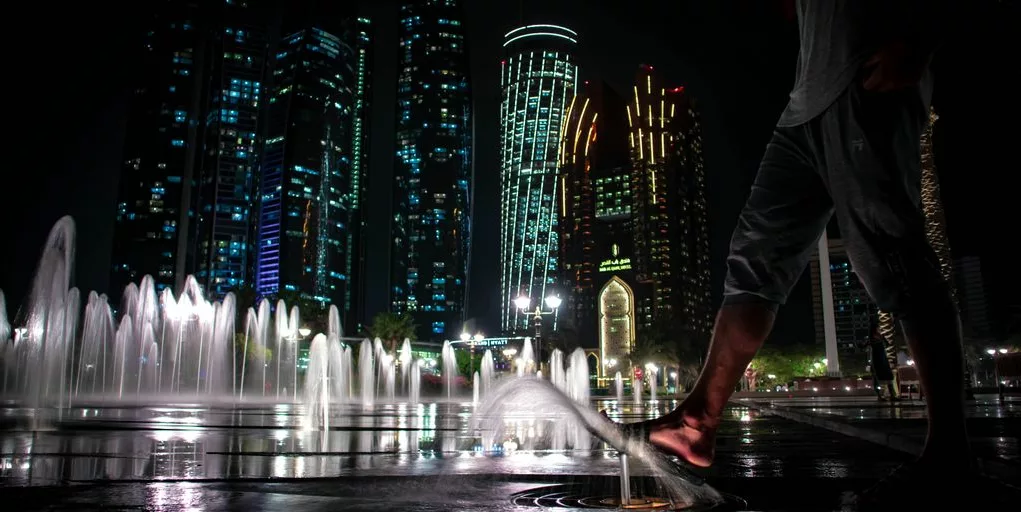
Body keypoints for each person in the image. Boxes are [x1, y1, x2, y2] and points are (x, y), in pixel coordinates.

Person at [613, 0, 975, 502]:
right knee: (753, 260)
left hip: (866, 80)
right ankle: (696, 422)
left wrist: (920, 40)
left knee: (892, 253)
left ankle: (949, 456)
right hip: (804, 104)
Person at [858, 315, 897, 401]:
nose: (879, 328)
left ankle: (889, 395)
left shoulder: (875, 337)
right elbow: (887, 344)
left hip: (881, 358)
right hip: (877, 359)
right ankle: (884, 396)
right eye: (878, 327)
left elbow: (887, 344)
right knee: (880, 377)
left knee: (885, 376)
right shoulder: (873, 338)